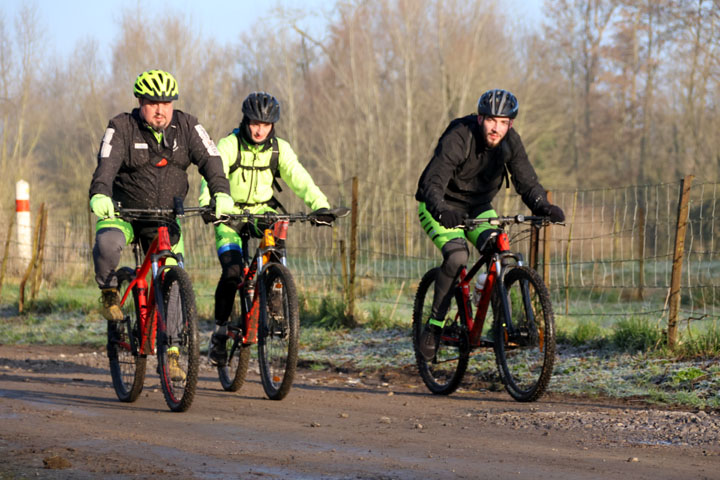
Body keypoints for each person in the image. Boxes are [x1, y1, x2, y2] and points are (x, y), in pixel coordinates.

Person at [89, 69, 234, 379]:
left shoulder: (187, 126)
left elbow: (212, 159)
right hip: (124, 213)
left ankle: (172, 353)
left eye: (166, 103)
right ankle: (110, 292)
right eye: (153, 102)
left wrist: (221, 192)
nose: (160, 109)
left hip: (166, 219)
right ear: (140, 103)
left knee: (173, 277)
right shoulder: (122, 127)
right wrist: (100, 193)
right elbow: (106, 165)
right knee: (108, 245)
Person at [415, 88, 564, 360]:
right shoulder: (459, 136)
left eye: (504, 122)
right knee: (458, 255)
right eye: (492, 121)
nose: (497, 128)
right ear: (481, 118)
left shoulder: (510, 142)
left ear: (511, 124)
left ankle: (499, 327)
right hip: (440, 205)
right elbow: (432, 181)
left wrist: (543, 205)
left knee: (502, 251)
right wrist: (441, 209)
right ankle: (434, 326)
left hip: (479, 207)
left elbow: (526, 181)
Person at [199, 91, 336, 366]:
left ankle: (275, 294)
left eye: (266, 124)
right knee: (232, 272)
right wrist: (209, 204)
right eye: (254, 123)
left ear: (273, 125)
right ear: (245, 121)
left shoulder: (279, 149)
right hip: (230, 211)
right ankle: (221, 331)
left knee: (276, 239)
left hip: (263, 210)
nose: (260, 129)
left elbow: (299, 178)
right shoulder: (229, 145)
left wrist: (321, 205)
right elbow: (212, 175)